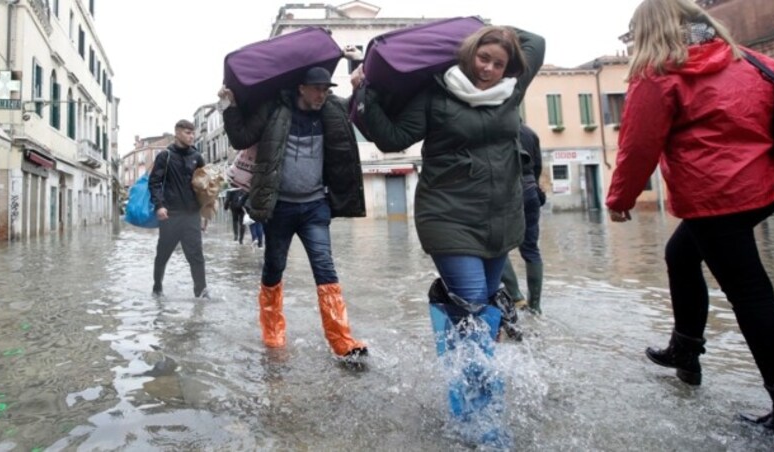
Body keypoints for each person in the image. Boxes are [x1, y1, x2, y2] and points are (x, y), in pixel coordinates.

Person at [605, 0, 774, 440]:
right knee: (679, 254)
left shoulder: (660, 74)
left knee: (751, 296)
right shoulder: (754, 61)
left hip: (715, 198)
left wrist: (620, 198)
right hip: (764, 189)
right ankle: (685, 349)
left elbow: (638, 145)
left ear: (648, 31)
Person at [356, 25, 545, 445]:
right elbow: (392, 139)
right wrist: (365, 92)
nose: (490, 69)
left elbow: (536, 42)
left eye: (498, 62)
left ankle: (464, 398)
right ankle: (485, 420)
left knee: (479, 314)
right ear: (468, 55)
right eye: (483, 58)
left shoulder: (510, 89)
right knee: (475, 305)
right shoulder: (436, 92)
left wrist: (478, 26)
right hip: (448, 215)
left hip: (501, 217)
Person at [218, 66, 368, 361]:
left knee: (325, 268)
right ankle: (272, 332)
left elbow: (359, 109)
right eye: (317, 89)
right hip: (280, 207)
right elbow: (240, 137)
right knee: (274, 268)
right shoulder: (274, 109)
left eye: (326, 89)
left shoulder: (332, 110)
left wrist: (360, 83)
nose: (322, 95)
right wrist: (229, 106)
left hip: (315, 206)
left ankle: (343, 342)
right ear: (301, 88)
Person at [149, 119, 210, 299]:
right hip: (170, 215)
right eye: (187, 133)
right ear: (177, 133)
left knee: (196, 255)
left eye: (193, 133)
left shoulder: (197, 157)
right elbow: (154, 183)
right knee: (162, 255)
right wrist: (159, 206)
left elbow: (204, 188)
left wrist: (204, 213)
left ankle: (201, 292)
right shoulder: (165, 156)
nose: (192, 136)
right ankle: (157, 288)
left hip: (192, 215)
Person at [500, 123, 545, 315]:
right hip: (530, 190)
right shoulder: (530, 132)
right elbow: (537, 168)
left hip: (504, 192)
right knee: (531, 249)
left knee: (496, 247)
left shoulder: (495, 127)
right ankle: (535, 306)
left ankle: (517, 297)